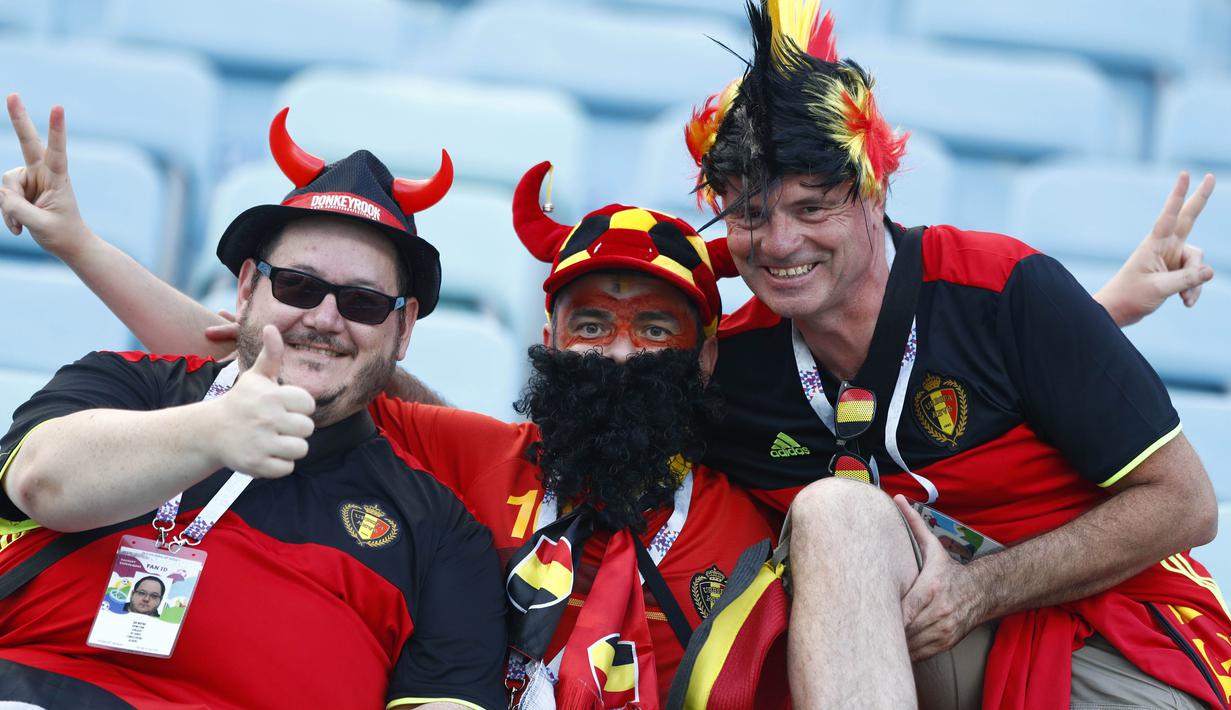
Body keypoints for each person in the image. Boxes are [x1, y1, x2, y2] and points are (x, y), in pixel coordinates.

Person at [684, 3, 1228, 709]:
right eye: (750, 215)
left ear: (873, 193)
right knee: (836, 516)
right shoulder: (732, 367)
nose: (781, 243)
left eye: (813, 208)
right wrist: (676, 277)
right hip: (913, 653)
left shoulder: (1002, 288)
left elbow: (1186, 505)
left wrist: (978, 590)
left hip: (1105, 636)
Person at [0, 95, 506, 709]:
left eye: (364, 302)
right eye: (298, 284)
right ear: (245, 290)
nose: (324, 318)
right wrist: (215, 432)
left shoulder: (443, 532)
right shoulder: (130, 384)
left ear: (403, 334)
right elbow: (40, 482)